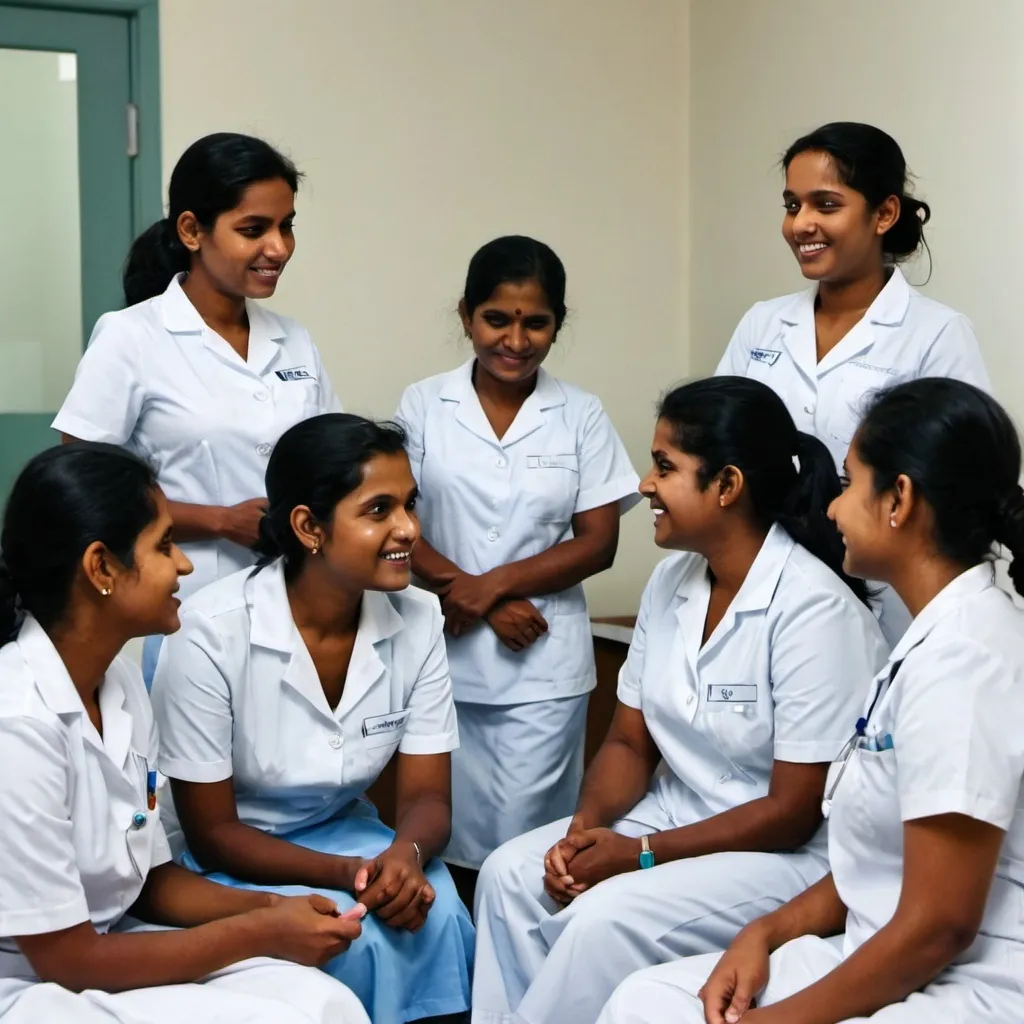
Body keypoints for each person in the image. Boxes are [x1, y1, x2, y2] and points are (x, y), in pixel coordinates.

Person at [597, 377, 1024, 1024]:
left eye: (850, 485)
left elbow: (939, 927)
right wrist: (765, 933)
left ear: (899, 501)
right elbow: (874, 869)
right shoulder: (929, 640)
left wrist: (778, 1021)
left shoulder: (968, 660)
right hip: (874, 939)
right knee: (642, 1002)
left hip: (967, 986)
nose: (829, 508)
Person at [471, 376, 889, 1024]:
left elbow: (792, 811)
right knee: (509, 875)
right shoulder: (673, 582)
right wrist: (585, 833)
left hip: (776, 857)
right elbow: (628, 742)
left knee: (600, 921)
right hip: (666, 819)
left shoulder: (814, 610)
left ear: (726, 485)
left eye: (665, 466)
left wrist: (638, 855)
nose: (643, 484)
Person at [0, 442, 369, 1024]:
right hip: (32, 981)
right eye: (165, 545)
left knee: (327, 1002)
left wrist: (280, 908)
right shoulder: (17, 725)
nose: (186, 565)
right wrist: (258, 930)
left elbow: (148, 881)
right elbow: (69, 960)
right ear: (101, 568)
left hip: (110, 938)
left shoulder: (117, 676)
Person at [151, 413, 474, 1023]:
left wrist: (403, 857)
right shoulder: (212, 633)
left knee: (441, 917)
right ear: (308, 526)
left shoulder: (419, 618)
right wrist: (354, 874)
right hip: (235, 855)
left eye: (410, 504)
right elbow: (214, 835)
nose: (409, 528)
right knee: (346, 943)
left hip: (350, 835)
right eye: (379, 510)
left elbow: (429, 797)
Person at [52, 132, 341, 683]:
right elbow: (83, 487)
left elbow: (329, 462)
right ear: (191, 231)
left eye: (287, 226)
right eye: (253, 230)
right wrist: (219, 521)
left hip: (297, 604)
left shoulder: (294, 340)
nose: (278, 248)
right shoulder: (131, 336)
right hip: (188, 603)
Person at [395, 235, 641, 874]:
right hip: (445, 649)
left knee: (527, 848)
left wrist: (491, 587)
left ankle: (522, 966)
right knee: (443, 838)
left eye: (537, 323)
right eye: (496, 319)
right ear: (466, 316)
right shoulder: (424, 403)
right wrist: (477, 595)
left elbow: (599, 542)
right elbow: (399, 522)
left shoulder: (581, 413)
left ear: (558, 324)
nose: (515, 339)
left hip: (540, 662)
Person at [716, 121, 990, 644]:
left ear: (884, 213)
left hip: (886, 601)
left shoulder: (935, 334)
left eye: (826, 204)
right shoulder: (761, 324)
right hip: (768, 585)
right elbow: (714, 447)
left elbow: (959, 485)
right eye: (792, 205)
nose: (802, 224)